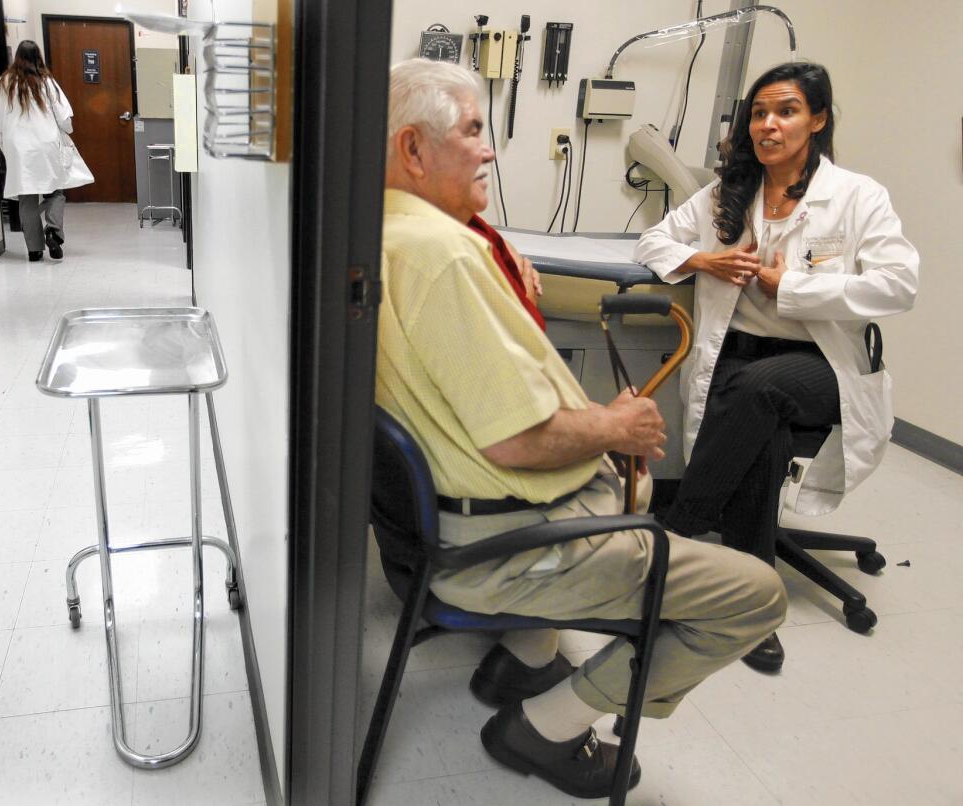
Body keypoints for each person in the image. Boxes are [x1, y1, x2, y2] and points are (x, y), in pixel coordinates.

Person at [378, 58, 786, 799]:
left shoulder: (388, 238)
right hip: (508, 544)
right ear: (413, 150)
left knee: (622, 484)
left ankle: (525, 658)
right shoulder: (444, 258)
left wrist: (493, 254)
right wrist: (616, 426)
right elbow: (517, 443)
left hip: (455, 520)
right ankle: (542, 725)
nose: (490, 149)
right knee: (755, 596)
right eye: (474, 131)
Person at [633, 62, 918, 672]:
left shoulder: (857, 196)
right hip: (738, 363)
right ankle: (754, 607)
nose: (768, 125)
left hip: (822, 366)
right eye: (758, 113)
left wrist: (797, 287)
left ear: (817, 119)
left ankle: (679, 535)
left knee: (759, 390)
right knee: (758, 412)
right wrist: (703, 260)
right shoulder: (725, 195)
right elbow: (653, 242)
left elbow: (899, 286)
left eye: (785, 111)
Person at [0, 41, 94, 262]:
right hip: (46, 143)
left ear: (17, 57)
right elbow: (63, 116)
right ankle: (54, 232)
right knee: (55, 191)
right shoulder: (46, 81)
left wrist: (7, 150)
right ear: (38, 57)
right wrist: (68, 130)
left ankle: (34, 250)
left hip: (18, 147)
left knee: (27, 198)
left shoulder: (4, 83)